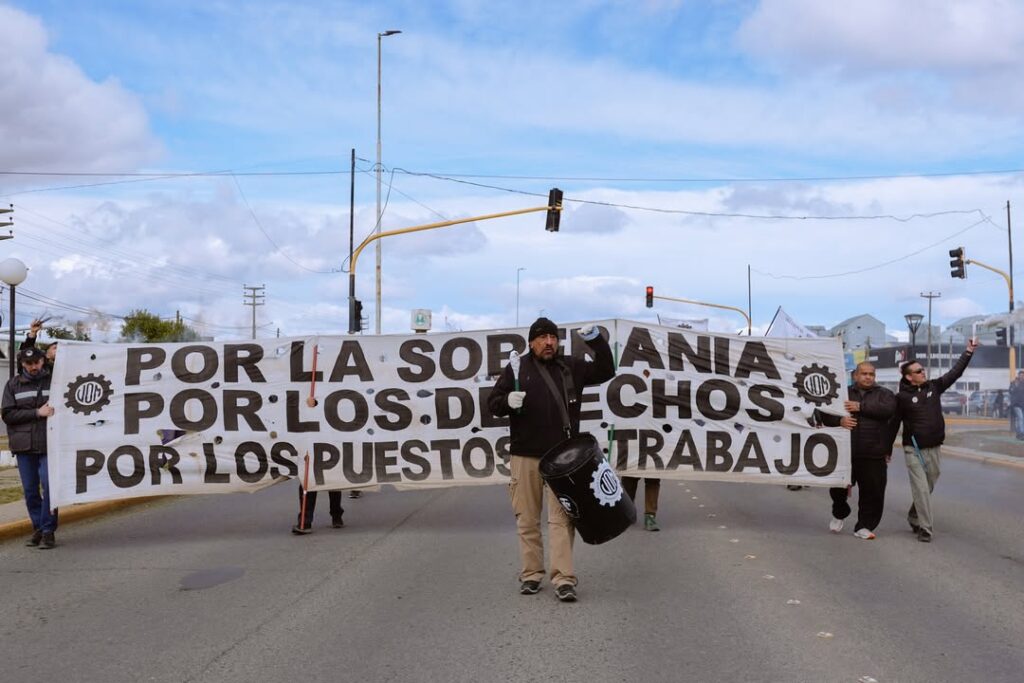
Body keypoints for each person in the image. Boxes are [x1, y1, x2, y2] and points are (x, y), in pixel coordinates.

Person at [488, 317, 615, 602]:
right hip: (525, 456)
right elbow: (493, 403)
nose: (549, 343)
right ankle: (532, 575)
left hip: (563, 459)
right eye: (542, 338)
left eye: (553, 338)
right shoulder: (516, 368)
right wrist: (507, 401)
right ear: (531, 342)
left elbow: (607, 370)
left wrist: (596, 341)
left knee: (561, 519)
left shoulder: (570, 366)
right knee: (528, 519)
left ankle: (563, 579)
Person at [895, 340, 978, 542]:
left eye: (922, 369)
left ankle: (914, 515)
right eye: (918, 371)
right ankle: (926, 528)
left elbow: (955, 373)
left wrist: (968, 352)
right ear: (908, 376)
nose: (923, 372)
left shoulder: (935, 387)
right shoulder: (902, 398)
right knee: (921, 489)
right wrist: (886, 450)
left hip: (934, 448)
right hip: (913, 449)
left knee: (929, 486)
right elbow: (892, 424)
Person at [818, 363, 896, 540]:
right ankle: (840, 512)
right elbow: (824, 414)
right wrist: (840, 421)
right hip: (845, 452)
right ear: (855, 376)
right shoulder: (841, 393)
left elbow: (888, 411)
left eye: (871, 374)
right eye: (864, 374)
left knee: (873, 492)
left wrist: (860, 407)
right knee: (838, 489)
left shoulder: (884, 394)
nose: (868, 377)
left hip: (874, 452)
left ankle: (864, 526)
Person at [2, 347, 57, 548]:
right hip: (24, 446)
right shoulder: (13, 385)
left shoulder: (55, 380)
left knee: (51, 486)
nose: (33, 367)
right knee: (30, 491)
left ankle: (48, 530)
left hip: (50, 444)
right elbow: (7, 415)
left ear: (42, 361)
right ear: (22, 364)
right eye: (28, 363)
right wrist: (36, 413)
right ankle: (39, 528)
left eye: (36, 362)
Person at [1009, 371, 1024, 440]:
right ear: (1018, 375)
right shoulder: (1014, 383)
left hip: (1022, 404)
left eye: (1023, 376)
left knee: (1021, 419)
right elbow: (1011, 391)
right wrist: (1015, 385)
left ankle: (1018, 434)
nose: (1022, 377)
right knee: (1020, 418)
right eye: (1021, 375)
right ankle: (1021, 433)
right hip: (1016, 404)